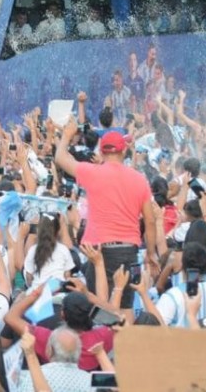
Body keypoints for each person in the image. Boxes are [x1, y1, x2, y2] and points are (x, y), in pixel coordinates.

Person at [55, 120, 157, 316]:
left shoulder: (92, 172)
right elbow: (150, 221)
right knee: (125, 307)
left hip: (98, 252)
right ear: (124, 152)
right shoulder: (139, 179)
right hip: (127, 251)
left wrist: (67, 135)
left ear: (101, 152)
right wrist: (151, 253)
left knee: (99, 309)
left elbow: (60, 158)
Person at [23, 213, 74, 291]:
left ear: (38, 230)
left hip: (37, 293)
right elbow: (67, 275)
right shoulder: (64, 249)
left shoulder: (33, 250)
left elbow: (29, 276)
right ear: (58, 231)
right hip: (58, 291)